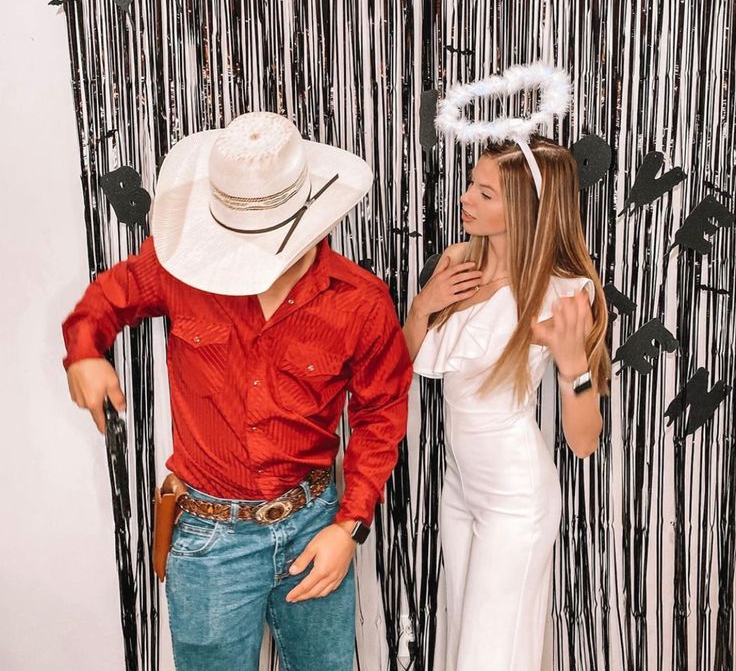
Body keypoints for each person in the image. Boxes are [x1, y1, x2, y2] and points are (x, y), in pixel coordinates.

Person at [62, 111, 413, 671]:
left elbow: (381, 415)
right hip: (208, 541)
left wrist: (348, 527)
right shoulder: (178, 268)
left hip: (314, 524)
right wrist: (84, 351)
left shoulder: (362, 302)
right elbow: (105, 300)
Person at [403, 136, 610, 671]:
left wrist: (573, 368)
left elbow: (584, 442)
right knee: (462, 644)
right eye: (472, 184)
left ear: (526, 206)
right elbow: (404, 363)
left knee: (490, 657)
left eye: (486, 193)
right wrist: (424, 305)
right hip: (459, 490)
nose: (466, 198)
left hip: (516, 501)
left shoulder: (562, 292)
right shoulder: (457, 263)